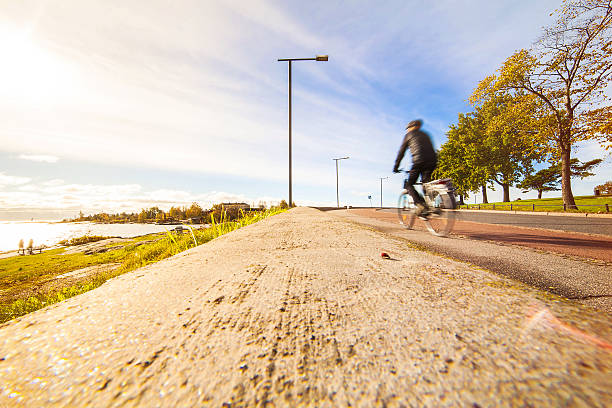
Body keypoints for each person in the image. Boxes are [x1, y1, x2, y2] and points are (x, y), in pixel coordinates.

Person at [393, 119, 437, 217]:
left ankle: (420, 205)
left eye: (407, 128)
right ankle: (430, 206)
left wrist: (396, 167)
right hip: (433, 161)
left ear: (411, 127)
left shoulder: (408, 135)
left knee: (409, 185)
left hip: (419, 161)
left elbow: (401, 152)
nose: (407, 130)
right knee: (426, 183)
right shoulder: (425, 134)